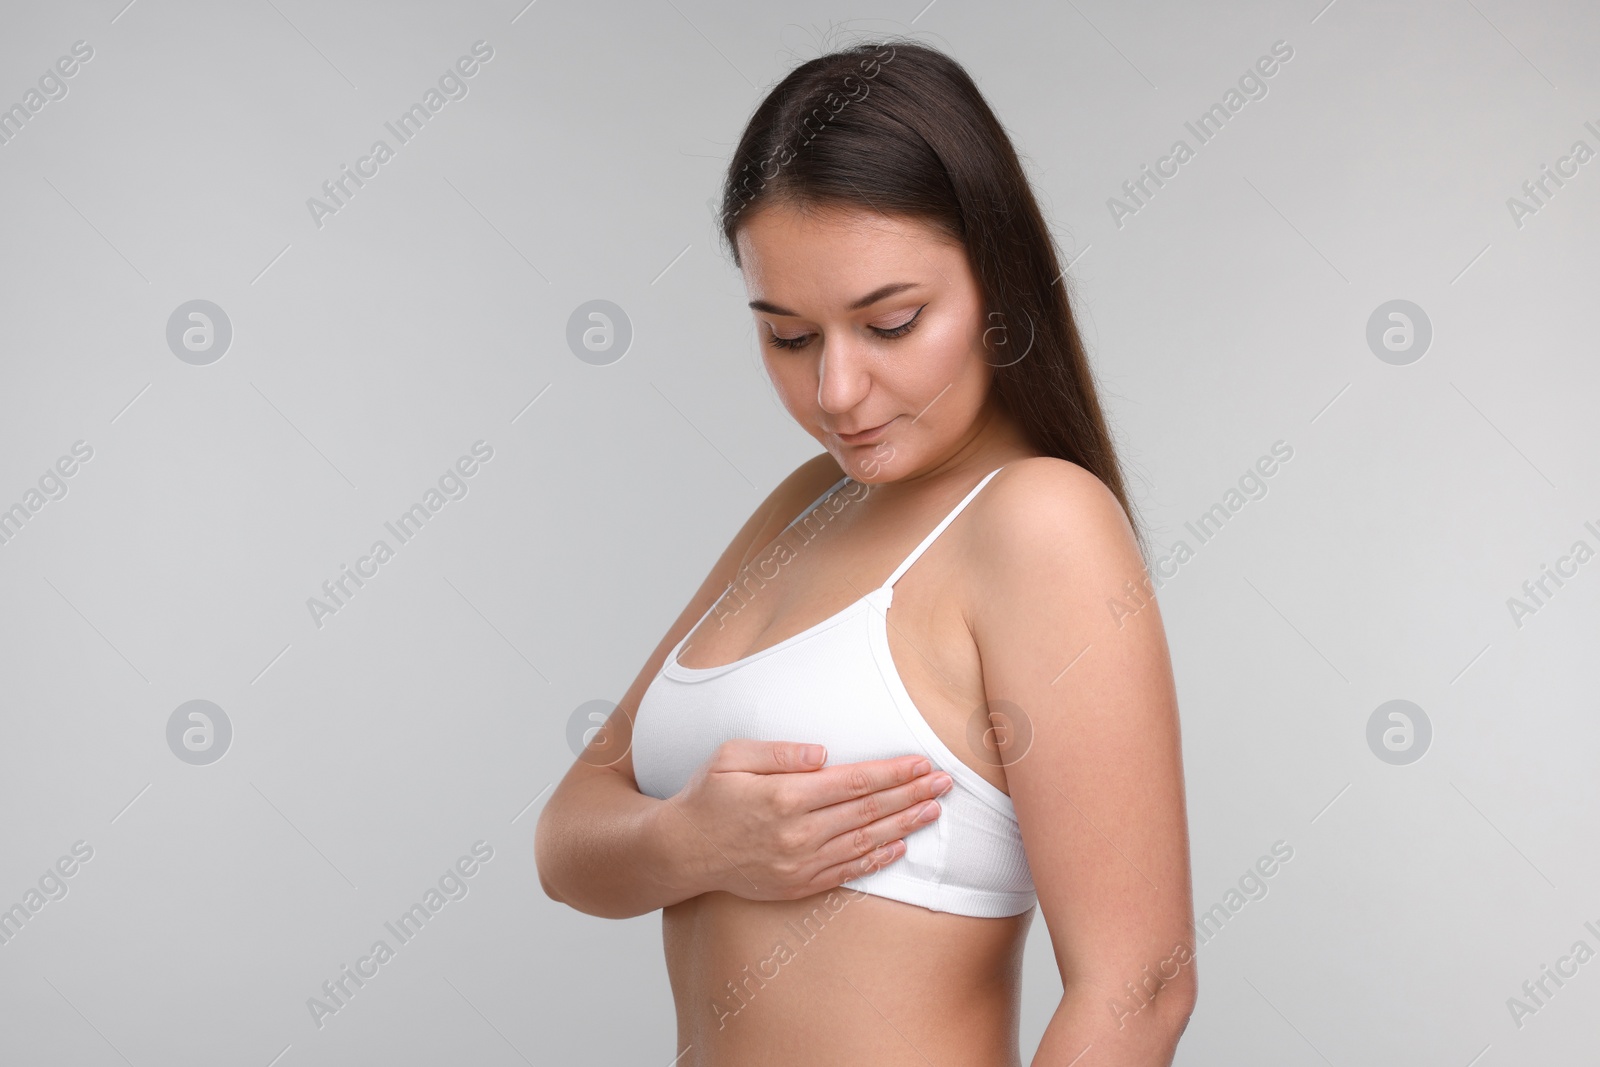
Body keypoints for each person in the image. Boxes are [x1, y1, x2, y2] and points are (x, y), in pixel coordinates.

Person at [536, 39, 1194, 1066]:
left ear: (998, 285)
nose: (835, 392)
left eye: (890, 323)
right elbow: (566, 842)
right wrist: (694, 841)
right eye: (789, 338)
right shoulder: (805, 504)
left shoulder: (1039, 523)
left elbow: (1138, 985)